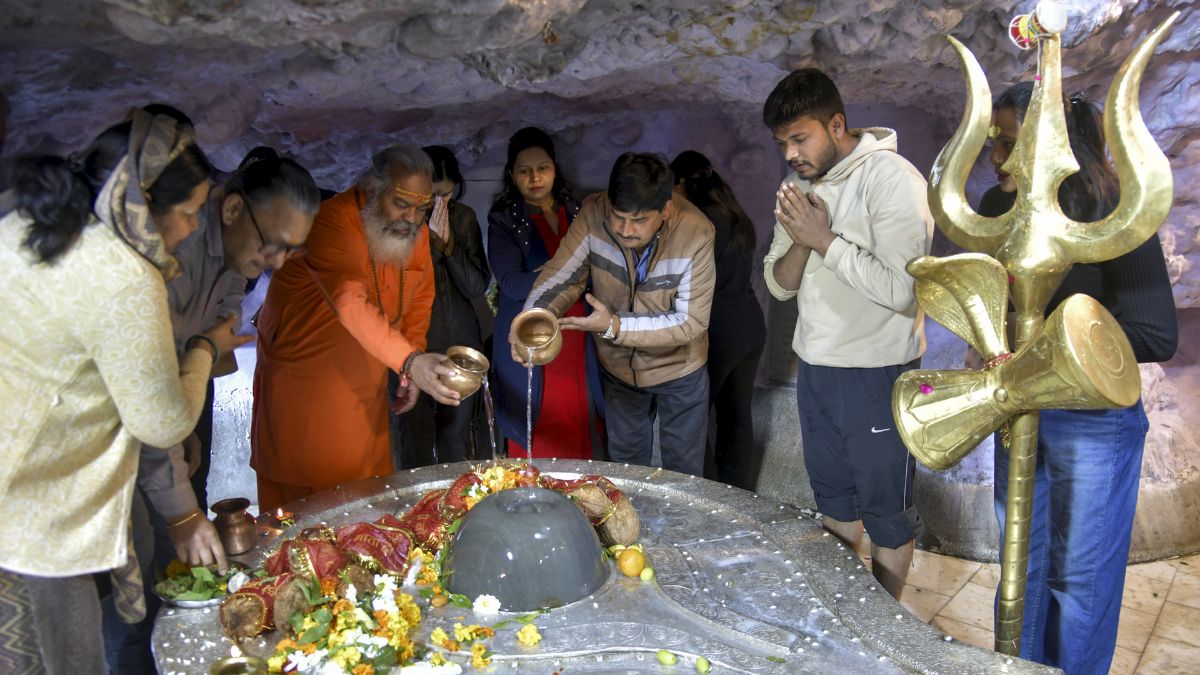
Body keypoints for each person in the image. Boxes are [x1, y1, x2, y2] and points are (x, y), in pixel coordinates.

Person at [0, 109, 248, 674]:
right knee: (62, 657)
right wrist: (204, 349)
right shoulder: (124, 275)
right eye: (188, 213)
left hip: (16, 480)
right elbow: (164, 422)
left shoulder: (26, 220)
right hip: (38, 513)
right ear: (142, 204)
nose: (192, 229)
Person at [982, 81, 1177, 675]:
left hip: (1093, 422)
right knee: (1020, 569)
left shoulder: (1110, 210)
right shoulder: (994, 208)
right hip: (1018, 409)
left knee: (1079, 584)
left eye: (1009, 142)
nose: (995, 156)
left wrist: (1043, 355)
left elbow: (1155, 333)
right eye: (993, 141)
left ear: (1051, 145)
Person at [761, 68, 933, 598]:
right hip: (817, 368)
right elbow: (779, 284)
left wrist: (823, 239)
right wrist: (801, 240)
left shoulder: (893, 179)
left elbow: (903, 290)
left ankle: (883, 627)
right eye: (782, 143)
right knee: (834, 503)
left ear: (836, 125)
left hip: (878, 372)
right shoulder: (798, 187)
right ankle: (846, 615)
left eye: (799, 138)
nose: (790, 154)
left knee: (887, 515)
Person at [251, 144, 460, 511]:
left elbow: (420, 296)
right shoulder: (331, 221)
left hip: (365, 395)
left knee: (364, 513)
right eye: (401, 203)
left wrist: (408, 369)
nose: (412, 218)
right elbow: (349, 300)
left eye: (422, 208)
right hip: (305, 397)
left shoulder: (414, 232)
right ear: (372, 189)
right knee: (305, 522)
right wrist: (410, 362)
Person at [522, 152, 715, 475]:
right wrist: (533, 317)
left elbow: (690, 322)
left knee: (683, 470)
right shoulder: (593, 212)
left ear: (665, 210)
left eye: (639, 221)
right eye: (618, 217)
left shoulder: (697, 232)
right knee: (626, 465)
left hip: (680, 370)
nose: (625, 230)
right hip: (619, 370)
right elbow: (562, 274)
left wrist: (615, 326)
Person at [487, 127, 601, 460]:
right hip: (533, 335)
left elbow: (598, 271)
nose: (535, 178)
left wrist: (545, 273)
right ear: (512, 175)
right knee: (537, 425)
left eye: (542, 168)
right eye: (524, 170)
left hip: (578, 334)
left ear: (555, 168)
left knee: (579, 417)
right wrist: (566, 272)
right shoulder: (504, 219)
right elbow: (511, 283)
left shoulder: (577, 210)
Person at [670, 151, 766, 490]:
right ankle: (739, 494)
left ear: (681, 183)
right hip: (749, 324)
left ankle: (709, 493)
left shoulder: (700, 222)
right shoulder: (734, 214)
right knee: (736, 415)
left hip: (718, 329)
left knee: (694, 417)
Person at [396, 146, 491, 467]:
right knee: (415, 440)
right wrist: (431, 245)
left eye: (447, 195)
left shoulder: (462, 217)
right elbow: (403, 287)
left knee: (456, 439)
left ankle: (460, 496)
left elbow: (476, 286)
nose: (440, 205)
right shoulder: (401, 221)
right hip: (415, 346)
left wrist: (449, 247)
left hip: (461, 343)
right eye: (431, 197)